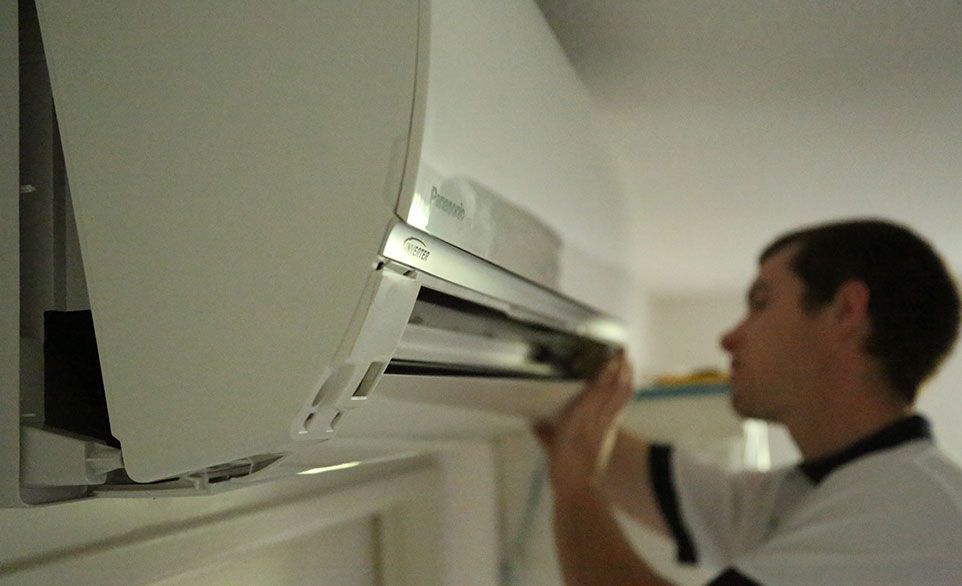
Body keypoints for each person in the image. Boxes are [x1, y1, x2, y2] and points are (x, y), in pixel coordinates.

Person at [536, 219, 962, 585]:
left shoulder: (913, 509)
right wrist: (549, 397)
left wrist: (575, 489)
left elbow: (584, 467)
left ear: (846, 311)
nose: (729, 338)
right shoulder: (801, 495)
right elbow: (631, 469)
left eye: (761, 304)